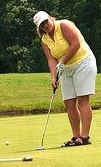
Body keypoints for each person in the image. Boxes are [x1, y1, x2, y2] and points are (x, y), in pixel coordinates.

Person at [33, 11, 97, 146]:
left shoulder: (64, 25)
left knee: (83, 100)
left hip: (83, 63)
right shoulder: (44, 40)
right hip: (65, 69)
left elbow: (75, 44)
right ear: (39, 28)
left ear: (51, 18)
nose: (45, 26)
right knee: (69, 102)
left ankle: (84, 137)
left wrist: (62, 62)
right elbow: (51, 59)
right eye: (41, 25)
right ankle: (76, 136)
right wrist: (53, 77)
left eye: (46, 22)